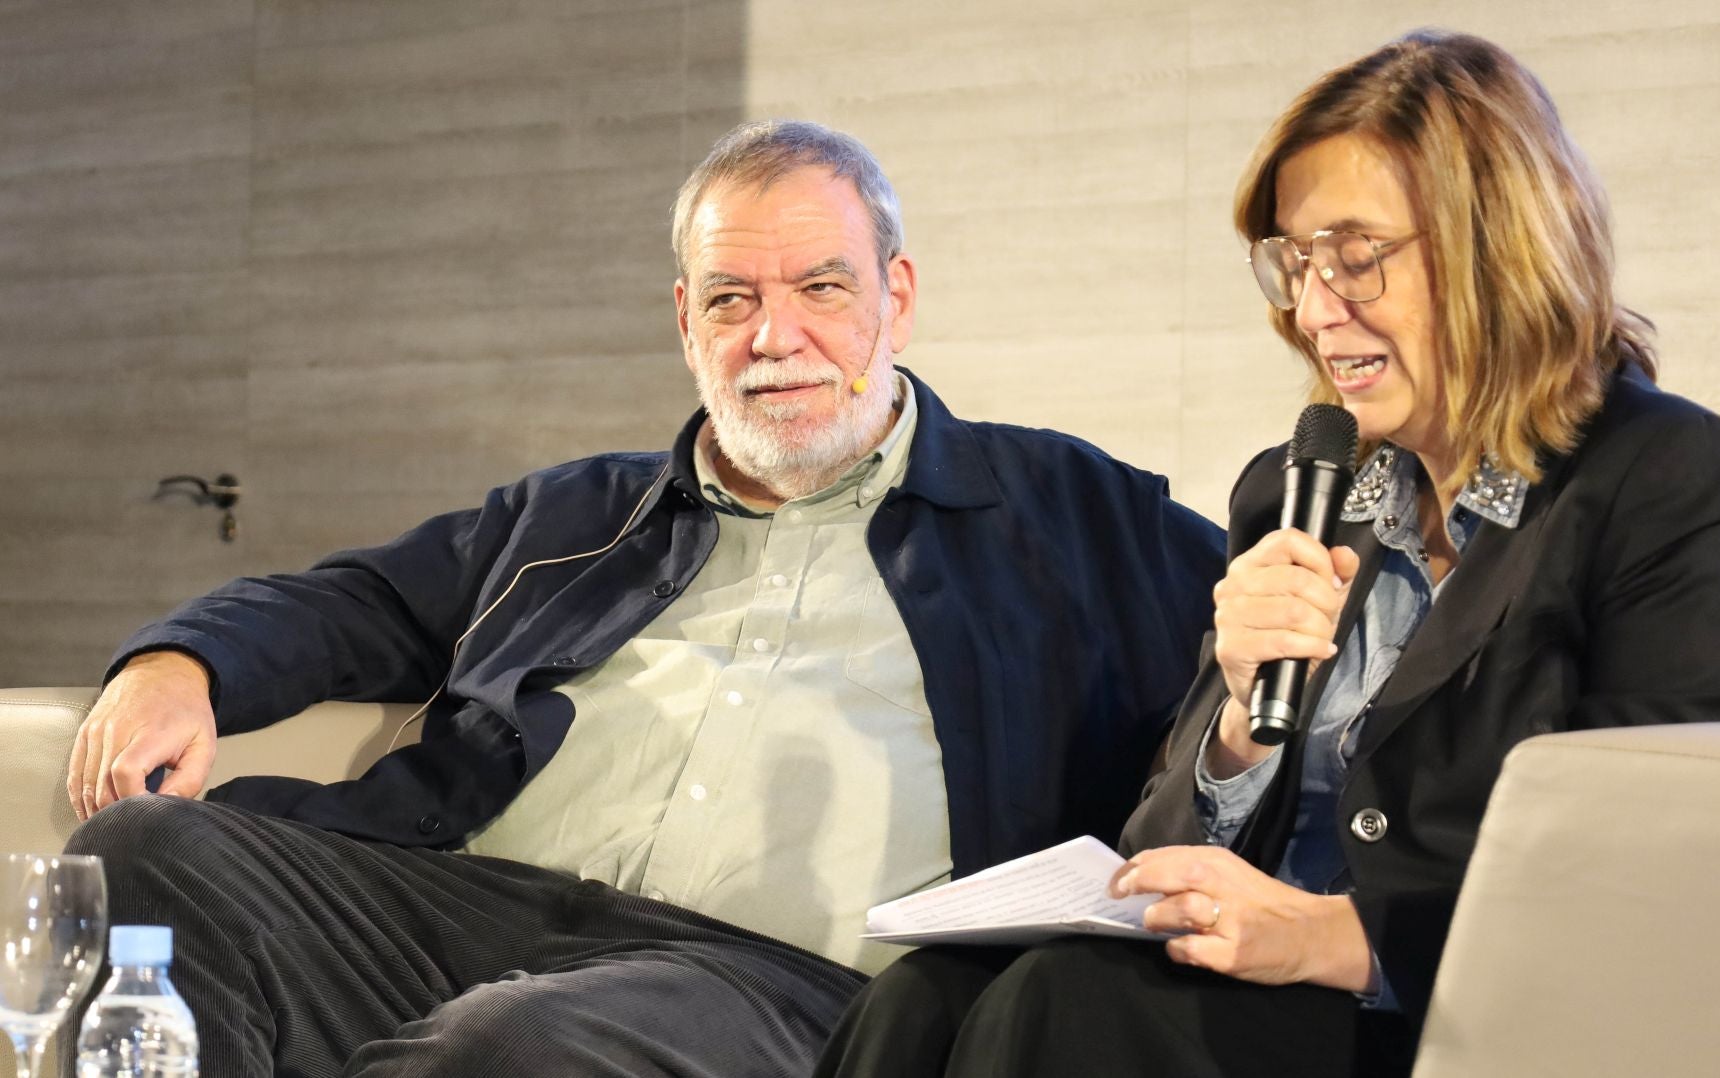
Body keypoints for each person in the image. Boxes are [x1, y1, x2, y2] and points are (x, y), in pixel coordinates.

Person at [60, 120, 1227, 1077]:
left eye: (822, 286)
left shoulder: (1070, 515)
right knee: (141, 851)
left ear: (898, 295)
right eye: (730, 299)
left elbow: (1279, 654)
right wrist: (179, 664)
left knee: (515, 1045)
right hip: (471, 906)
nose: (773, 335)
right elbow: (359, 600)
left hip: (782, 987)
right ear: (685, 321)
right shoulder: (577, 514)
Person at [812, 29, 1720, 1078]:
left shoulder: (1663, 482)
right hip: (1247, 1005)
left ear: (1496, 249)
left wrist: (1333, 937)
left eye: (1357, 258)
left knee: (1069, 1005)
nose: (1316, 309)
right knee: (924, 995)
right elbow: (1156, 851)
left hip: (1463, 1026)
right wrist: (1239, 728)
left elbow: (1670, 873)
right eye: (1297, 262)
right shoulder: (1299, 494)